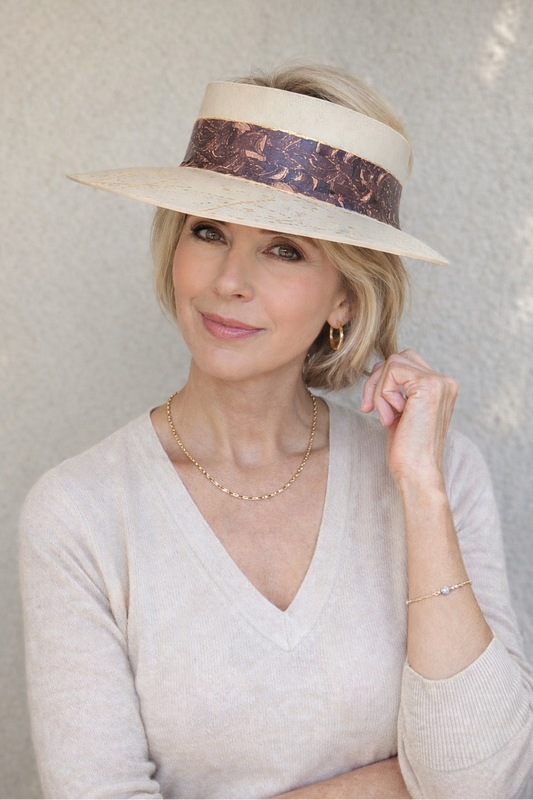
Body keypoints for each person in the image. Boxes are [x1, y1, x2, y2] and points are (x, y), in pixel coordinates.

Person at [19, 63, 533, 800]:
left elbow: (485, 780)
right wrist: (400, 785)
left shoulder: (438, 475)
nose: (229, 279)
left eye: (284, 248)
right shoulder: (79, 513)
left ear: (347, 300)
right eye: (208, 232)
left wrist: (420, 490)